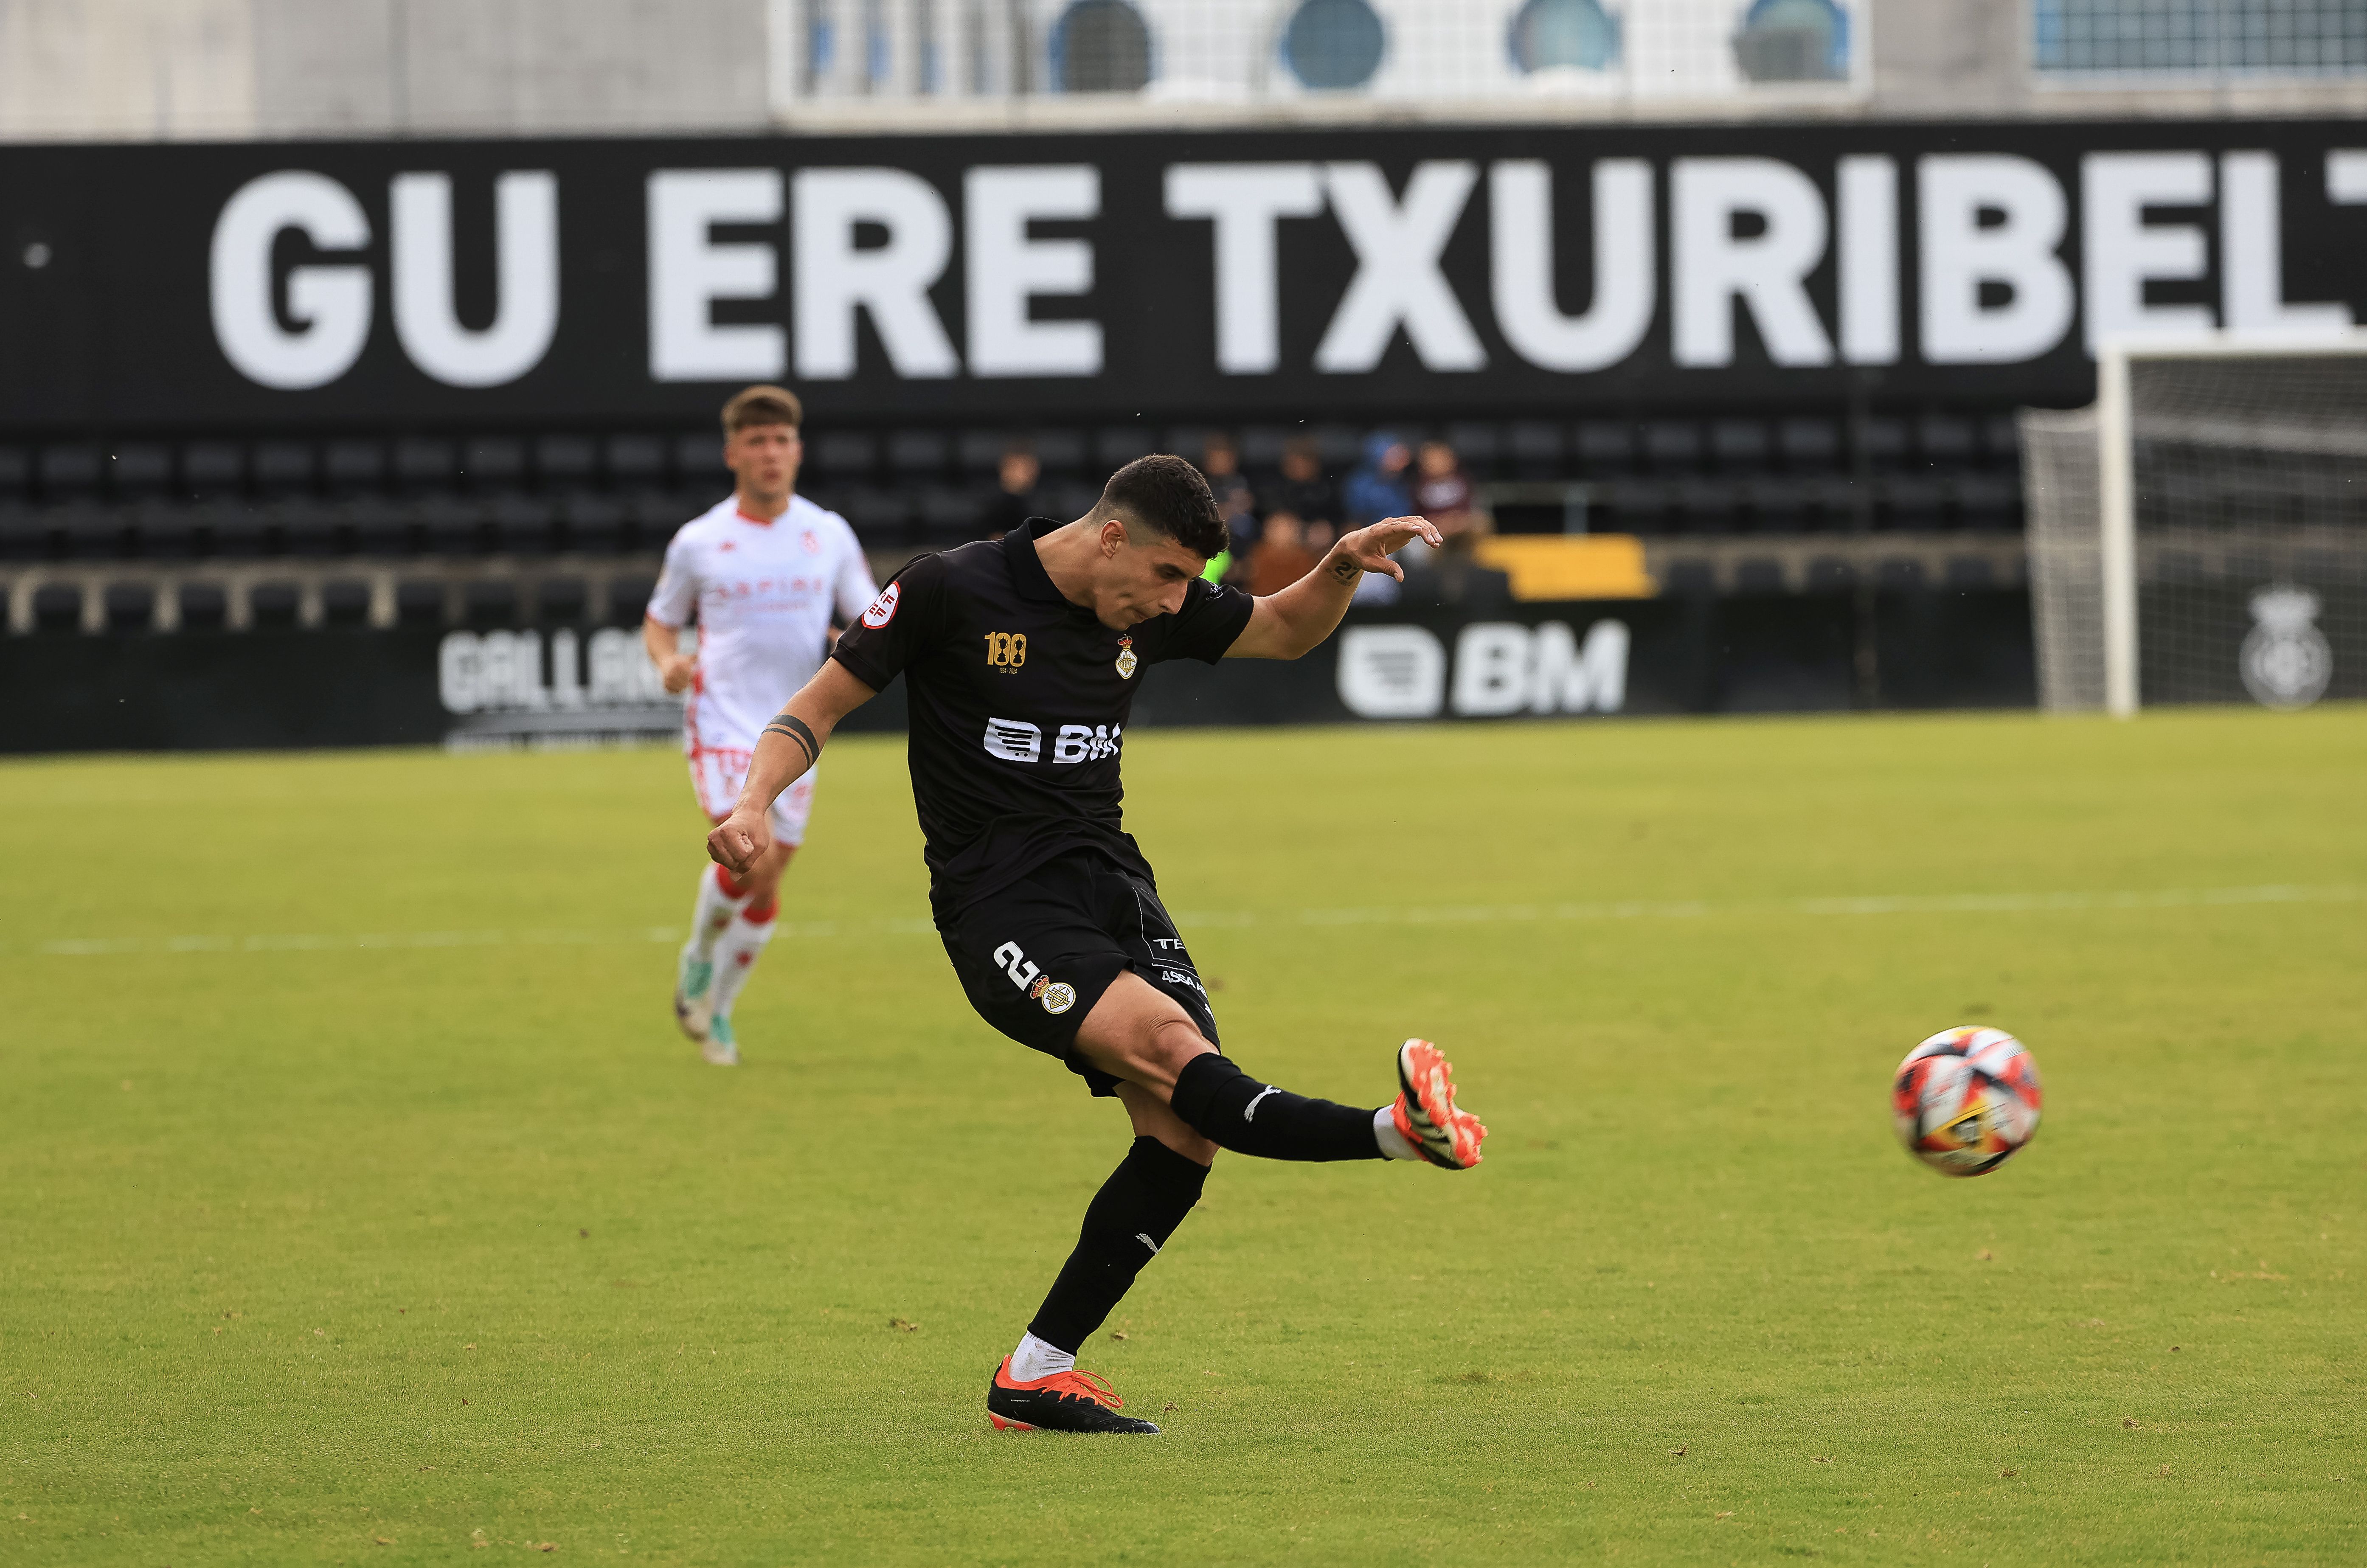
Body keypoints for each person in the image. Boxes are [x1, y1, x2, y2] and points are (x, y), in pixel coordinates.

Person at [705, 455, 1486, 1434]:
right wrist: (749, 802)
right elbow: (812, 708)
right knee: (1176, 1056)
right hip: (1002, 907)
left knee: (1184, 1127)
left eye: (1186, 587)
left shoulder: (1153, 604)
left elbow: (1283, 629)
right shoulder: (950, 587)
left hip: (1115, 886)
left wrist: (1334, 564)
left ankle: (1035, 1372)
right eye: (1165, 577)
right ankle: (1392, 1128)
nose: (1173, 602)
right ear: (1110, 536)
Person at [643, 385, 880, 1067]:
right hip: (721, 720)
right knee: (755, 857)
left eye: (781, 440)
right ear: (733, 453)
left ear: (797, 451)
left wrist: (852, 640)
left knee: (769, 879)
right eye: (757, 441)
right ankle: (698, 959)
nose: (771, 453)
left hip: (798, 726)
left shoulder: (827, 533)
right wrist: (666, 661)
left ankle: (718, 1003)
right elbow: (661, 618)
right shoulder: (701, 540)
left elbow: (869, 617)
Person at [1263, 436, 1339, 551]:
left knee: (1322, 534)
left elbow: (1336, 517)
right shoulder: (1276, 486)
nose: (1300, 466)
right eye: (1295, 462)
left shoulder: (1326, 487)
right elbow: (1273, 515)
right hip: (1290, 530)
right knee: (1281, 530)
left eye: (1305, 461)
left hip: (1317, 531)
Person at [980, 443, 1042, 540]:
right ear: (1004, 469)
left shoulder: (1041, 504)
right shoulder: (993, 507)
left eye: (1028, 469)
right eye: (1018, 469)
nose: (1023, 475)